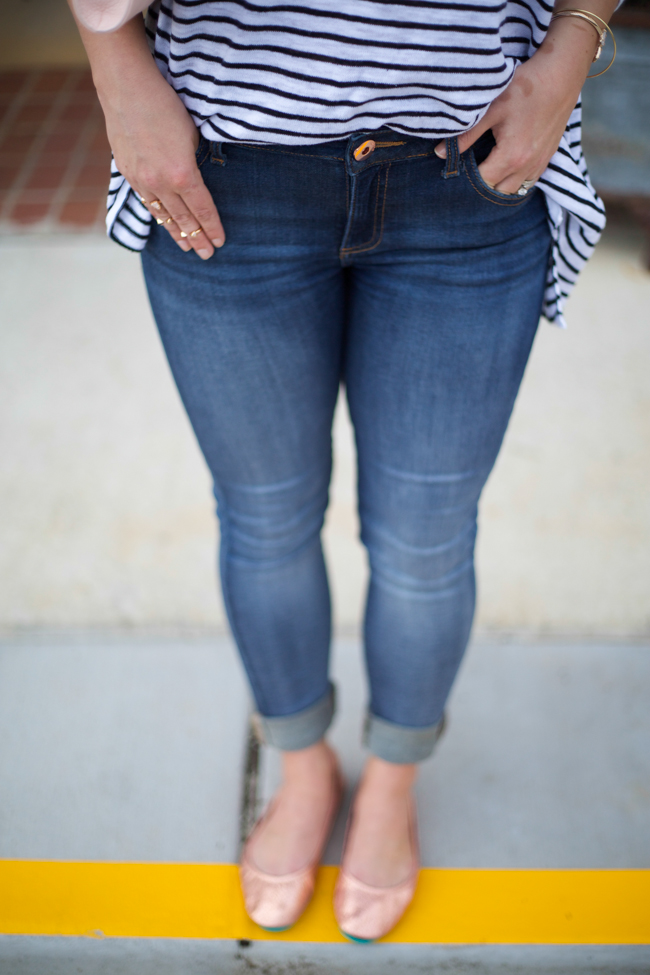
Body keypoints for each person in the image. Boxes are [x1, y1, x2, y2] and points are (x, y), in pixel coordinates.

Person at [70, 0, 617, 942]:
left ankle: (391, 786)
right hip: (227, 166)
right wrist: (116, 66)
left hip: (472, 161)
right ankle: (306, 765)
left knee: (426, 538)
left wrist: (576, 36)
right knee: (265, 515)